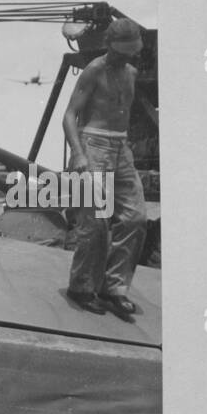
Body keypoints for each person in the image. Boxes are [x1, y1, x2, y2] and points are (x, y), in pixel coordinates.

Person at [63, 17, 148, 322]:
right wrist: (78, 153)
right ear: (109, 47)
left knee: (135, 217)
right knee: (97, 222)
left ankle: (114, 287)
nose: (126, 57)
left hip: (121, 147)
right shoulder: (95, 69)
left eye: (130, 53)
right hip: (93, 145)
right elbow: (70, 115)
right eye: (122, 52)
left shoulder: (132, 73)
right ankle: (82, 287)